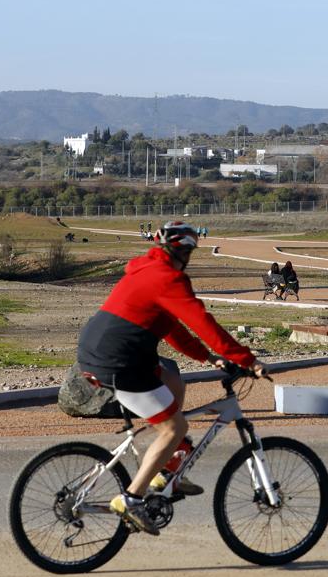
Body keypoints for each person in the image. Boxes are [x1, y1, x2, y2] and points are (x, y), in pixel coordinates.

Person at [76, 220, 265, 535]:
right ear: (187, 251)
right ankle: (132, 497)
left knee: (175, 383)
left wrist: (208, 357)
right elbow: (204, 323)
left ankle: (166, 467)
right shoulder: (169, 278)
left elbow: (173, 328)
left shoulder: (147, 270)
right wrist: (247, 359)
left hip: (106, 350)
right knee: (175, 426)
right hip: (118, 361)